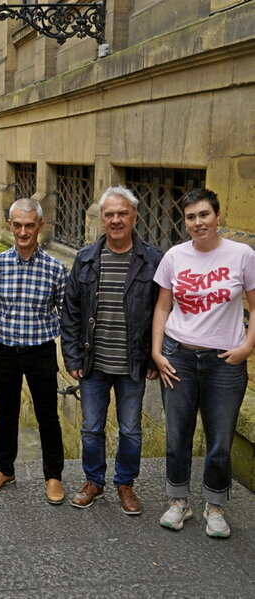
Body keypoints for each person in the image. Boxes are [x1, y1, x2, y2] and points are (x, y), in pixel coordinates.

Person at [152, 188, 255, 538]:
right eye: (191, 217)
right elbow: (162, 307)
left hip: (225, 362)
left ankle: (215, 505)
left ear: (218, 216)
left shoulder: (242, 255)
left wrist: (247, 348)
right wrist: (157, 351)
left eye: (204, 215)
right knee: (177, 435)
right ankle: (179, 501)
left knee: (220, 439)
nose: (198, 223)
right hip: (179, 355)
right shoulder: (174, 256)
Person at [61, 186, 162, 514]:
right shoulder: (86, 258)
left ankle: (125, 484)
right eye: (109, 214)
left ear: (135, 216)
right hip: (93, 362)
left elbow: (163, 311)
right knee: (92, 427)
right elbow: (71, 311)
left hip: (133, 362)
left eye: (122, 213)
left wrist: (153, 357)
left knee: (131, 429)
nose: (116, 219)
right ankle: (94, 481)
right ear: (101, 219)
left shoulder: (153, 260)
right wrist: (72, 357)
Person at [0, 198, 68, 504]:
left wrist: (43, 331)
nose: (23, 231)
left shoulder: (55, 268)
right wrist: (6, 328)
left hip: (41, 352)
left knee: (48, 416)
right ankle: (5, 469)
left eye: (30, 225)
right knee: (6, 414)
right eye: (17, 225)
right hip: (5, 351)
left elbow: (64, 310)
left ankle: (53, 476)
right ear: (9, 226)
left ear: (40, 227)